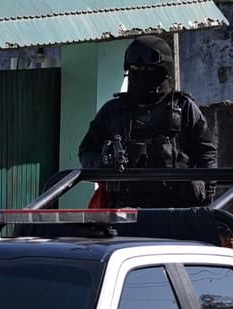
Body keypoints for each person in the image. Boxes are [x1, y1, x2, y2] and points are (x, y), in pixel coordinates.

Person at [78, 36, 217, 207]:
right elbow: (86, 151)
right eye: (136, 69)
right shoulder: (113, 111)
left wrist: (208, 205)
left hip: (177, 212)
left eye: (148, 69)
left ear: (163, 72)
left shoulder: (184, 108)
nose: (141, 75)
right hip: (126, 213)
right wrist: (103, 164)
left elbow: (207, 156)